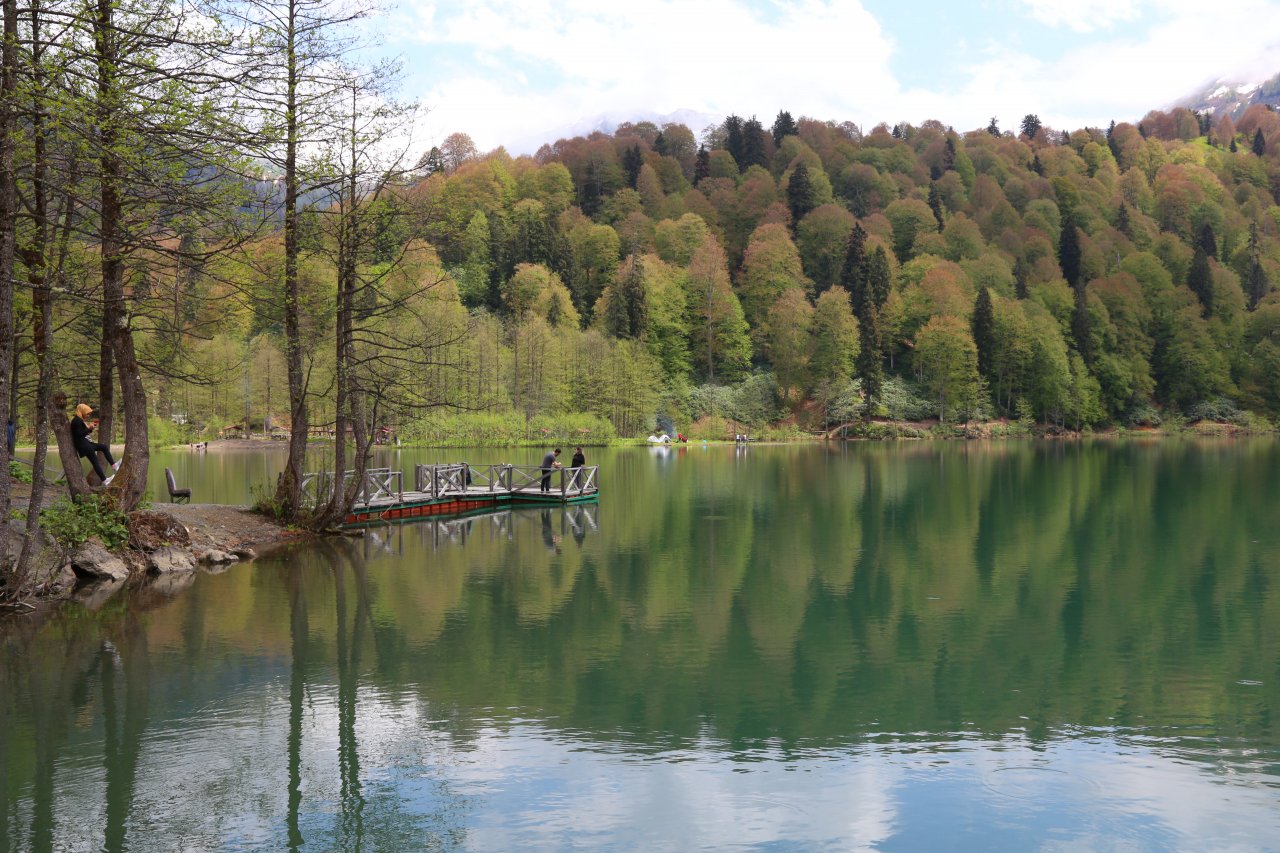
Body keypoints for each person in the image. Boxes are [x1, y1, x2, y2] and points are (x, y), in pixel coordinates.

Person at [71, 403, 118, 485]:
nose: (88, 416)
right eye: (87, 413)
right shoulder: (76, 421)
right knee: (96, 462)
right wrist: (89, 428)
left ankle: (113, 466)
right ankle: (105, 479)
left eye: (89, 414)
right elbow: (78, 435)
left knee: (103, 447)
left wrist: (90, 428)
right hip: (84, 445)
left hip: (86, 444)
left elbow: (83, 433)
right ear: (82, 411)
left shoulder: (79, 420)